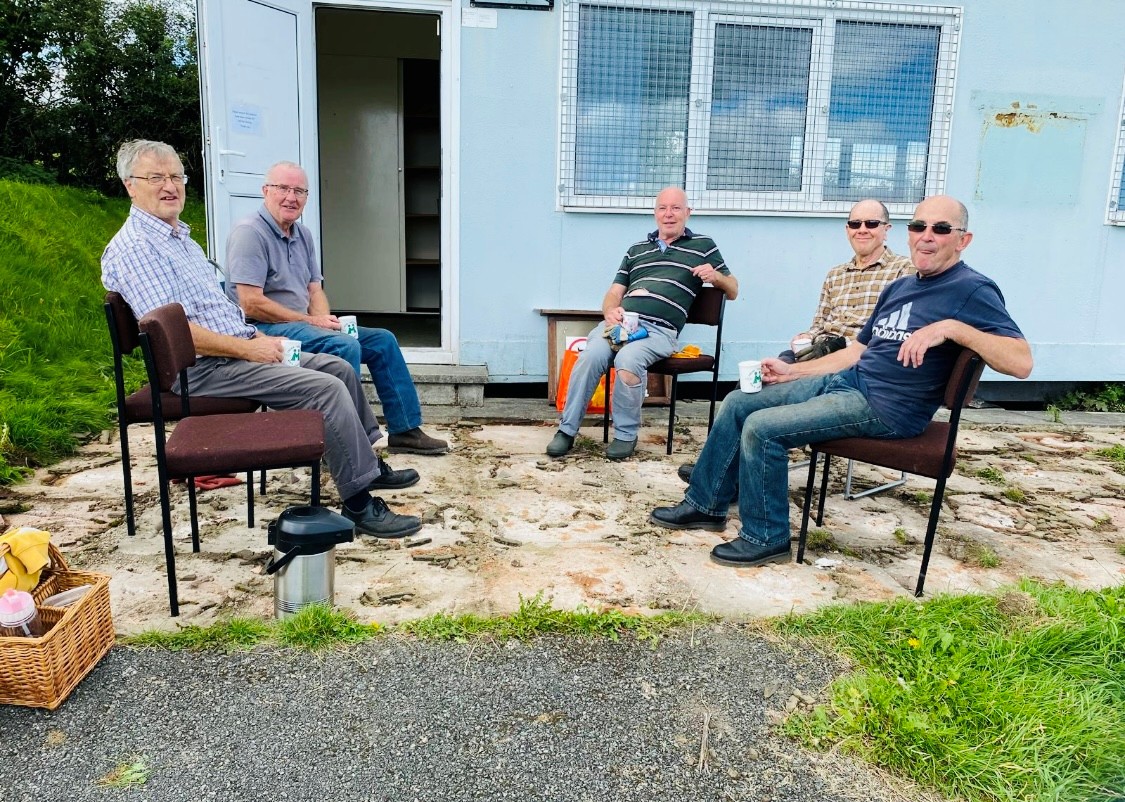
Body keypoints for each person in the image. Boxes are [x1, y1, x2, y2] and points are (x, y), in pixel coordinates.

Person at [650, 195, 1032, 567]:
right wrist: (792, 371)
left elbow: (1021, 363)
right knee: (740, 402)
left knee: (762, 428)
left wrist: (952, 328)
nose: (926, 235)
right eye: (919, 226)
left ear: (963, 240)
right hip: (849, 381)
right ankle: (706, 504)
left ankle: (766, 537)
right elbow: (855, 352)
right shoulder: (900, 287)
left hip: (887, 408)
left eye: (941, 228)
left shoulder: (971, 289)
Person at [101, 140, 422, 539]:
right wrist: (252, 347)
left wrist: (254, 338)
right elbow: (175, 334)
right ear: (131, 186)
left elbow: (226, 308)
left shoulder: (178, 239)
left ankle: (367, 469)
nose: (170, 186)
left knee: (338, 367)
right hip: (204, 368)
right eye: (156, 178)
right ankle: (358, 504)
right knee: (325, 389)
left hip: (236, 349)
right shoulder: (136, 248)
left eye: (176, 177)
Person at [224, 161, 448, 456]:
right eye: (283, 189)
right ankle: (347, 444)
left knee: (382, 340)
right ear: (266, 191)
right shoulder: (250, 233)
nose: (291, 197)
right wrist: (309, 320)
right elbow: (250, 302)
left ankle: (405, 429)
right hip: (262, 330)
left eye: (299, 191)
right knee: (343, 346)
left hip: (300, 323)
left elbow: (314, 289)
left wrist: (319, 319)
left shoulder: (302, 235)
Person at [546, 187, 739, 461]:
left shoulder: (703, 246)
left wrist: (716, 277)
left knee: (628, 358)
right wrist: (610, 311)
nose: (668, 214)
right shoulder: (636, 251)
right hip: (623, 324)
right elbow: (614, 292)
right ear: (655, 213)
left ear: (688, 212)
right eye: (663, 208)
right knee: (590, 355)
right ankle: (566, 431)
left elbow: (733, 289)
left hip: (659, 331)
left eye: (675, 208)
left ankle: (625, 435)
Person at [779, 198, 913, 363]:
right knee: (771, 370)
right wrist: (807, 336)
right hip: (820, 353)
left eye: (871, 223)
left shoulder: (904, 270)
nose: (862, 230)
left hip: (861, 359)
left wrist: (838, 346)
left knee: (783, 383)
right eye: (855, 224)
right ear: (847, 230)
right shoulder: (835, 274)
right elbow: (819, 324)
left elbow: (891, 332)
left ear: (886, 230)